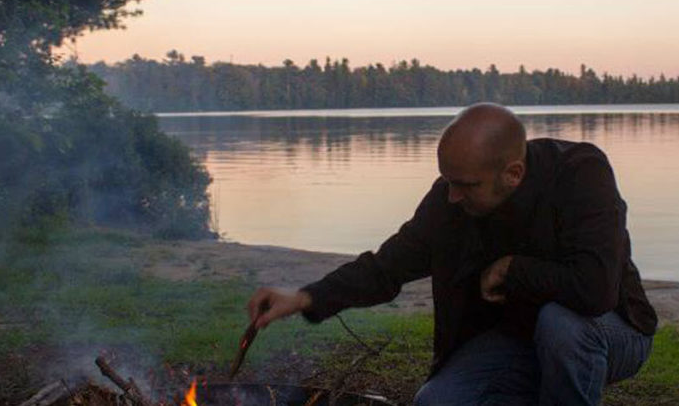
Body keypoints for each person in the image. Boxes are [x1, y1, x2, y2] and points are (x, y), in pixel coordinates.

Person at [246, 103, 657, 405]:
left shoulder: (580, 173)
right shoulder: (451, 196)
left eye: (465, 185)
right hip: (519, 340)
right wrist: (304, 297)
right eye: (446, 181)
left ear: (513, 173)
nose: (452, 196)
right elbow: (389, 265)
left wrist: (514, 270)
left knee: (561, 325)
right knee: (436, 401)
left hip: (612, 331)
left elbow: (595, 290)